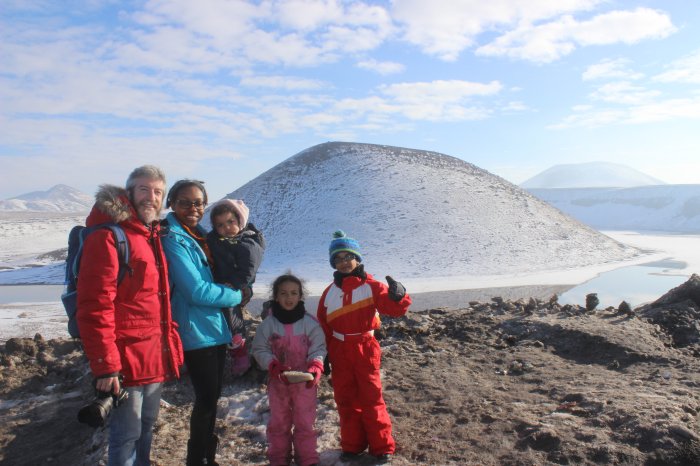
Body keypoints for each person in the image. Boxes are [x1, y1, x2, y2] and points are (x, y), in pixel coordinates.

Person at [76, 165, 183, 466]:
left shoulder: (151, 236)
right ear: (129, 192)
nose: (152, 197)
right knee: (126, 435)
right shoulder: (110, 238)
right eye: (144, 189)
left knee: (146, 428)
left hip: (153, 355)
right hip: (125, 360)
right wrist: (106, 366)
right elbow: (95, 306)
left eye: (158, 191)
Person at [160, 180, 243, 466]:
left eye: (198, 202)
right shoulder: (173, 238)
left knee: (212, 398)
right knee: (206, 400)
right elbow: (195, 290)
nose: (193, 208)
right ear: (171, 203)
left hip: (213, 327)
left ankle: (208, 456)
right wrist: (236, 295)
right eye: (185, 202)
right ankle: (197, 460)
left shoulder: (199, 234)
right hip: (196, 329)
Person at [316, 231, 411, 464]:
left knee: (371, 397)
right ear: (333, 264)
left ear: (357, 258)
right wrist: (325, 354)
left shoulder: (372, 286)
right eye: (338, 259)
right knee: (345, 399)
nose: (344, 262)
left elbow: (394, 310)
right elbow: (323, 325)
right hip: (339, 349)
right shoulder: (329, 293)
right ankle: (352, 445)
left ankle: (381, 447)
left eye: (348, 256)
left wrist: (400, 297)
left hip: (365, 347)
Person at [251, 274, 326, 466]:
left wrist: (316, 365)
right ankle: (278, 458)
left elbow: (318, 348)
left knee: (305, 421)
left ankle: (307, 459)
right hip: (278, 382)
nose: (289, 297)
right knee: (279, 422)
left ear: (300, 296)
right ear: (276, 296)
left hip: (305, 383)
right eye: (283, 293)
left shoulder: (310, 323)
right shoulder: (269, 324)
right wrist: (272, 364)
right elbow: (259, 348)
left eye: (294, 293)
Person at [206, 199, 265, 375]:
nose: (227, 227)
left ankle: (240, 353)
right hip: (220, 285)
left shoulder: (248, 243)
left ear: (240, 221)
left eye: (231, 222)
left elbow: (248, 270)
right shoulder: (217, 239)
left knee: (232, 315)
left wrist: (234, 284)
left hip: (238, 286)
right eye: (220, 225)